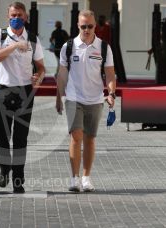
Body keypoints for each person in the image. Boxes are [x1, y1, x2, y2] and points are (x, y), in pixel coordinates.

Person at [56, 10, 116, 192]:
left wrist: (111, 93)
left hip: (96, 98)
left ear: (95, 26)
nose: (87, 30)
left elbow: (110, 74)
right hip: (74, 97)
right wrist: (59, 97)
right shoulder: (68, 46)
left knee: (90, 138)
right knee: (76, 136)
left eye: (90, 26)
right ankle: (74, 179)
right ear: (78, 26)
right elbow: (62, 74)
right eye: (83, 26)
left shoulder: (104, 47)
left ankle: (86, 177)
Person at [0, 2, 45, 193]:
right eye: (13, 15)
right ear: (8, 16)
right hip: (3, 89)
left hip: (25, 92)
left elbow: (41, 67)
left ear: (26, 17)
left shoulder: (33, 40)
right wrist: (14, 46)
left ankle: (18, 180)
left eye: (20, 15)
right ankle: (5, 168)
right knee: (0, 135)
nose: (17, 18)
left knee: (21, 138)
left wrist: (39, 77)